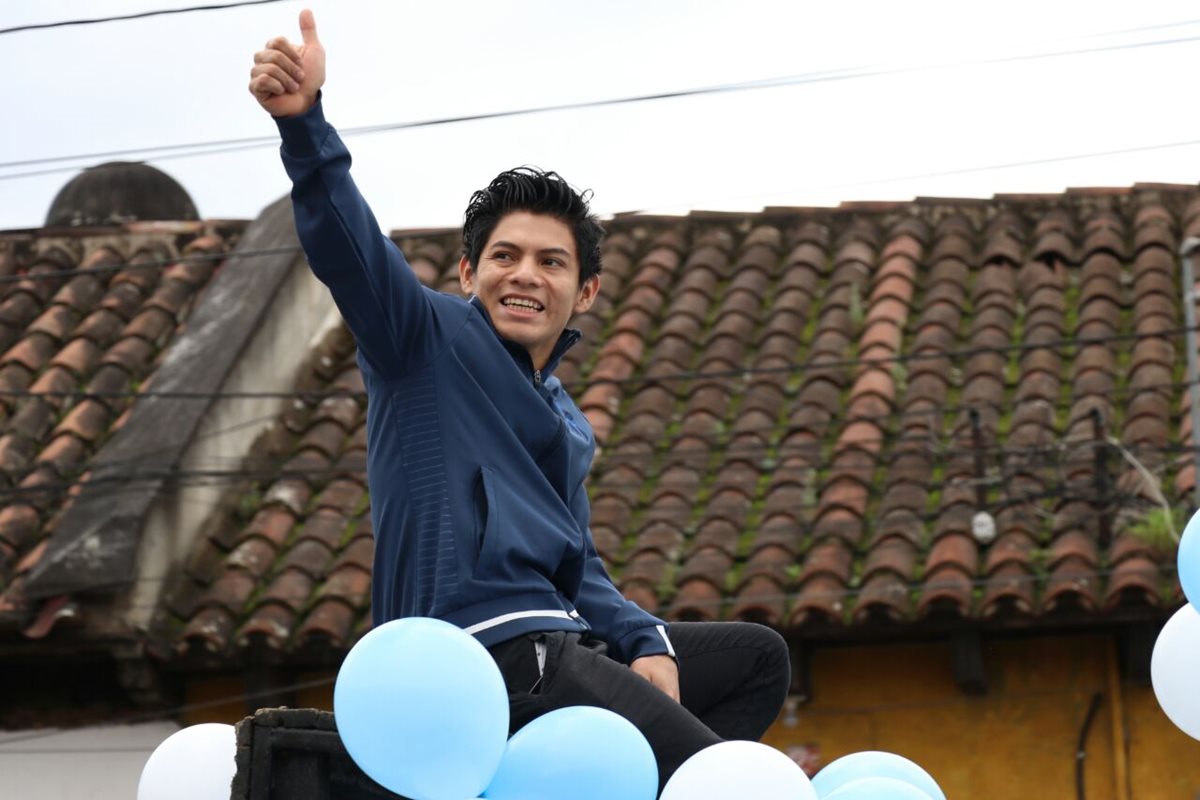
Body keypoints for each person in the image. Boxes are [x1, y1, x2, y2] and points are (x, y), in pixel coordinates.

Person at [249, 10, 790, 791]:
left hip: (562, 644)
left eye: (550, 261)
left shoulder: (567, 420)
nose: (524, 274)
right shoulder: (421, 342)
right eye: (503, 255)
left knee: (755, 662)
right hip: (479, 657)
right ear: (468, 275)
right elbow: (349, 250)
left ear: (586, 292)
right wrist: (306, 130)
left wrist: (646, 639)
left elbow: (580, 567)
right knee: (714, 774)